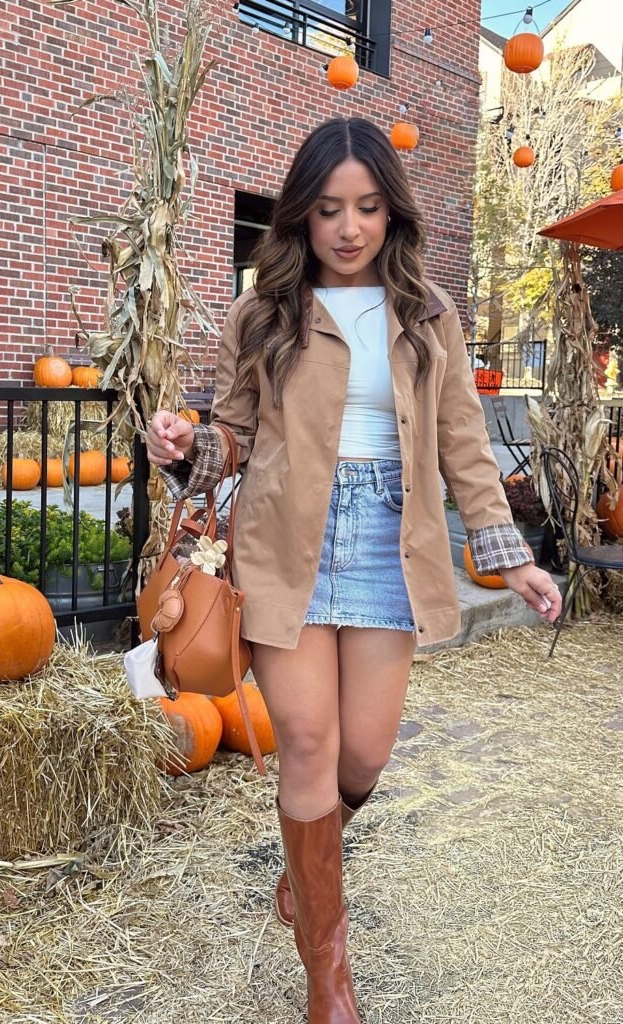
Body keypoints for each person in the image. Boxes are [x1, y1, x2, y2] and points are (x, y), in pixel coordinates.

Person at [145, 117, 562, 1024]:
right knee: (305, 744)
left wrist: (510, 559)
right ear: (300, 217)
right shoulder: (262, 313)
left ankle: (309, 862)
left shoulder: (428, 312)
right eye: (328, 208)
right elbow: (235, 437)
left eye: (367, 207)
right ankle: (327, 977)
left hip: (389, 545)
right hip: (282, 544)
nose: (347, 227)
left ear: (389, 213)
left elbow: (462, 445)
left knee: (362, 758)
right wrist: (189, 443)